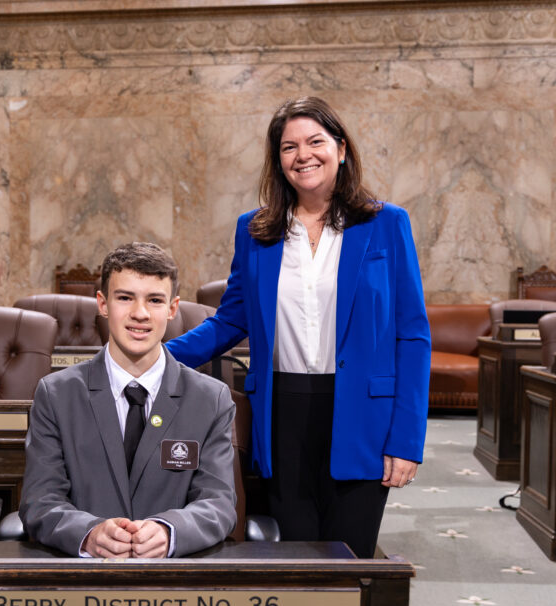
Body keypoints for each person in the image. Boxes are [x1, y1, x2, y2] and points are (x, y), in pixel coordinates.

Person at [166, 96, 430, 558]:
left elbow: (412, 335)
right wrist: (159, 356)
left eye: (315, 142)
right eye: (289, 147)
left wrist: (406, 440)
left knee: (349, 556)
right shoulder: (256, 231)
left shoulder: (387, 224)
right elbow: (231, 319)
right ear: (278, 160)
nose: (303, 155)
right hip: (280, 411)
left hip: (362, 415)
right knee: (291, 555)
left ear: (341, 149)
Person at [20, 242, 237, 558]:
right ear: (103, 304)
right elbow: (40, 501)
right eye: (125, 298)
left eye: (154, 300)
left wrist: (169, 531)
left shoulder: (211, 399)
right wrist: (89, 534)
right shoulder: (56, 394)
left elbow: (217, 504)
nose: (140, 314)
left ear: (173, 308)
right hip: (83, 584)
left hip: (177, 586)